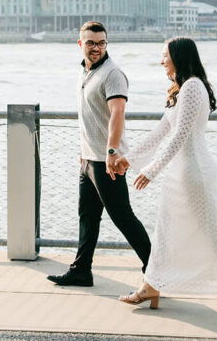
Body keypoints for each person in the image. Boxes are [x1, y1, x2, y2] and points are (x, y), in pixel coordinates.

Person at [116, 37, 217, 314]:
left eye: (165, 55)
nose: (161, 61)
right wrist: (128, 160)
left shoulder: (193, 86)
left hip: (195, 171)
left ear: (179, 57)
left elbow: (180, 135)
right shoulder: (182, 89)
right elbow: (161, 131)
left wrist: (151, 170)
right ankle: (151, 286)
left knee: (213, 230)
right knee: (165, 230)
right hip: (181, 171)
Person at [47, 21, 152, 287]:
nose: (96, 48)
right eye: (91, 43)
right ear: (80, 44)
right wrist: (85, 154)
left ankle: (156, 271)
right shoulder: (85, 71)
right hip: (89, 160)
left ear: (107, 44)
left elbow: (118, 113)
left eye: (101, 42)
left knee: (122, 217)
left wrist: (112, 153)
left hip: (108, 161)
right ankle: (81, 270)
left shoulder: (112, 73)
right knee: (88, 216)